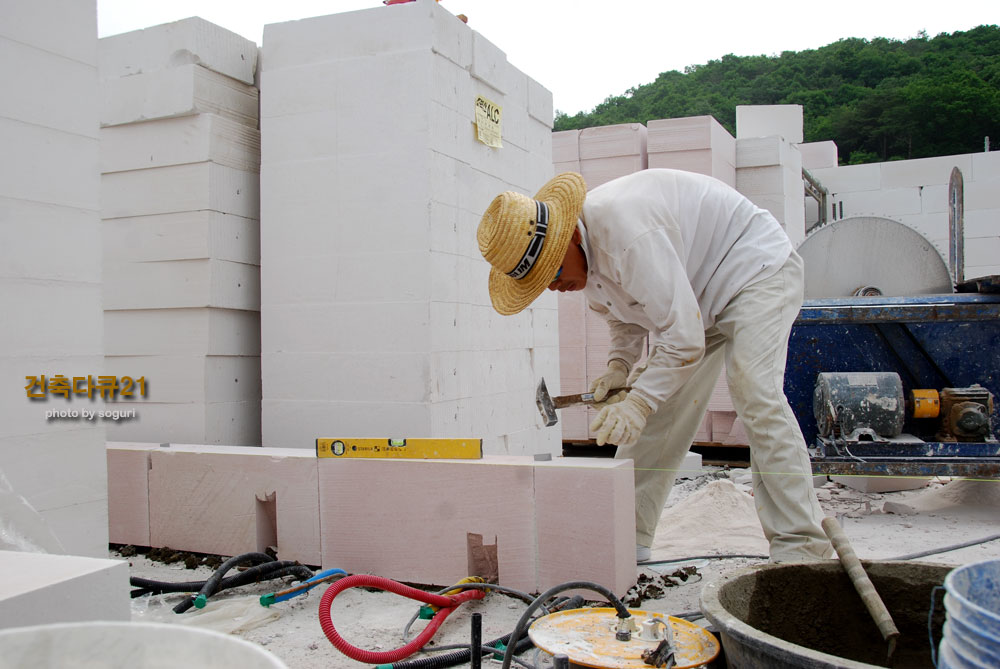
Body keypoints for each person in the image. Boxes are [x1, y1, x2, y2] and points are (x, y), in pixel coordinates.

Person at [477, 169, 832, 564]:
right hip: (696, 298)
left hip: (754, 268)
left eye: (553, 273)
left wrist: (638, 401)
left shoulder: (627, 234)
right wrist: (619, 366)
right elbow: (624, 315)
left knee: (754, 391)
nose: (553, 287)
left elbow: (682, 337)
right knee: (657, 409)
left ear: (571, 236)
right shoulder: (585, 260)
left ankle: (801, 546)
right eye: (541, 282)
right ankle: (627, 540)